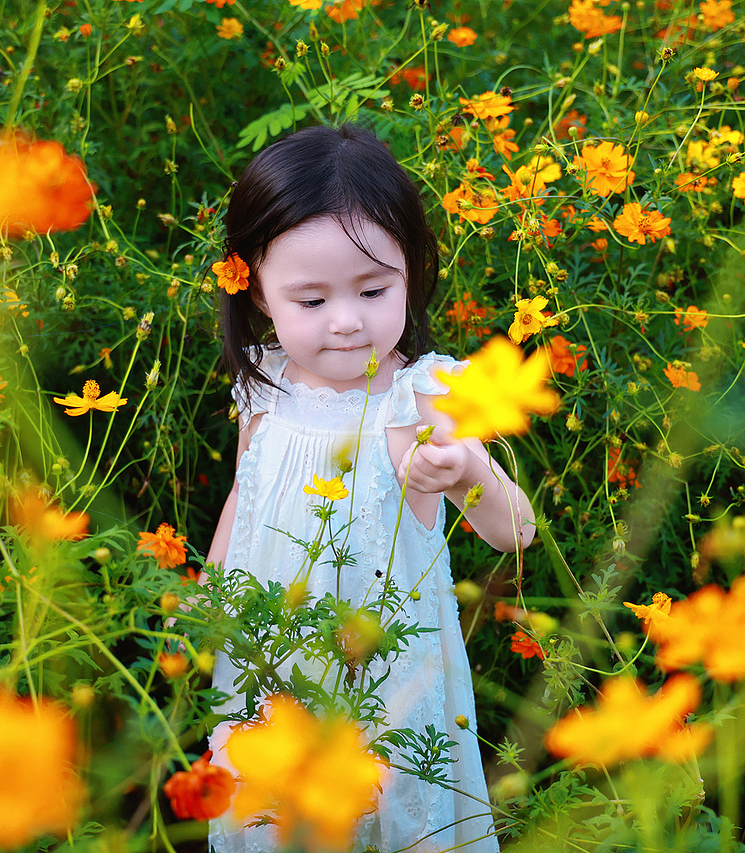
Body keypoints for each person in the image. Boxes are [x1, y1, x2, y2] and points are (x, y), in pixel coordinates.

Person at [202, 124, 536, 853]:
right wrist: (205, 598)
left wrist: (469, 470)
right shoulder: (263, 387)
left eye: (374, 289)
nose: (349, 321)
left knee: (388, 816)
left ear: (411, 273)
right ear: (257, 292)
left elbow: (518, 530)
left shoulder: (422, 397)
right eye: (311, 300)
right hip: (271, 656)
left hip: (389, 676)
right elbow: (244, 497)